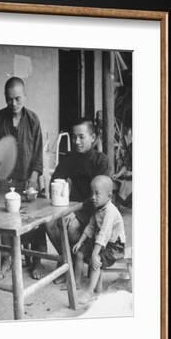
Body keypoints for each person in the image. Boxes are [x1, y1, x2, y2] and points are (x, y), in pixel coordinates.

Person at [0, 76, 47, 280]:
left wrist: (34, 177)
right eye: (9, 99)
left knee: (37, 216)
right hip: (5, 180)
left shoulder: (33, 119)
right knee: (1, 216)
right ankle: (6, 257)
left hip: (28, 178)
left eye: (18, 98)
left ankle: (36, 259)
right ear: (5, 98)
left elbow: (37, 154)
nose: (14, 104)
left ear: (25, 96)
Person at [45, 118, 110, 284]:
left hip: (96, 211)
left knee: (71, 226)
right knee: (49, 223)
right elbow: (56, 179)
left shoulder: (101, 160)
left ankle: (73, 267)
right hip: (74, 207)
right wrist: (62, 193)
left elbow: (100, 197)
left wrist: (76, 211)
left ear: (93, 137)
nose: (76, 141)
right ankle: (67, 262)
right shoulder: (70, 158)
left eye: (81, 137)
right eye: (74, 137)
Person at [72, 175, 126, 303]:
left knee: (96, 260)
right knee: (79, 253)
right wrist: (80, 242)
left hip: (114, 246)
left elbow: (104, 234)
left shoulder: (110, 212)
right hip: (102, 242)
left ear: (109, 196)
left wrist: (95, 254)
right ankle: (76, 283)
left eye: (97, 194)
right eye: (92, 193)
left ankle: (90, 292)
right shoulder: (98, 208)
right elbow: (90, 227)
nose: (93, 197)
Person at [112, 126, 132, 208]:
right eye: (128, 136)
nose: (128, 138)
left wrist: (132, 173)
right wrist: (118, 175)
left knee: (127, 185)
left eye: (130, 136)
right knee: (117, 181)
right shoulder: (130, 148)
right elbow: (125, 165)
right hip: (129, 176)